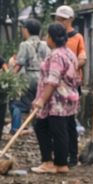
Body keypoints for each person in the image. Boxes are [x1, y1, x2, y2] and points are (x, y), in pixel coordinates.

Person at [31, 23, 80, 174]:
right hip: (68, 98)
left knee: (54, 130)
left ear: (51, 38)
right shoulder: (69, 53)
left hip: (57, 100)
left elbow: (53, 80)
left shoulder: (56, 55)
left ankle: (58, 164)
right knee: (52, 128)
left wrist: (41, 100)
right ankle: (53, 162)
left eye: (48, 35)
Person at [54, 5, 87, 165]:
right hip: (55, 83)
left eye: (63, 19)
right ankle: (60, 154)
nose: (59, 21)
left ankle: (72, 156)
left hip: (71, 84)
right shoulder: (53, 35)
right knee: (57, 121)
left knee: (69, 120)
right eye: (58, 19)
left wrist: (69, 67)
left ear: (70, 20)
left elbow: (82, 57)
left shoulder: (77, 37)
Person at [10, 18, 49, 133]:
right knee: (39, 103)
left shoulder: (24, 44)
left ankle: (15, 128)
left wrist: (9, 78)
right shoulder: (45, 44)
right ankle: (40, 129)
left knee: (18, 104)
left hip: (28, 78)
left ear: (26, 30)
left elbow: (19, 64)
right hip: (42, 77)